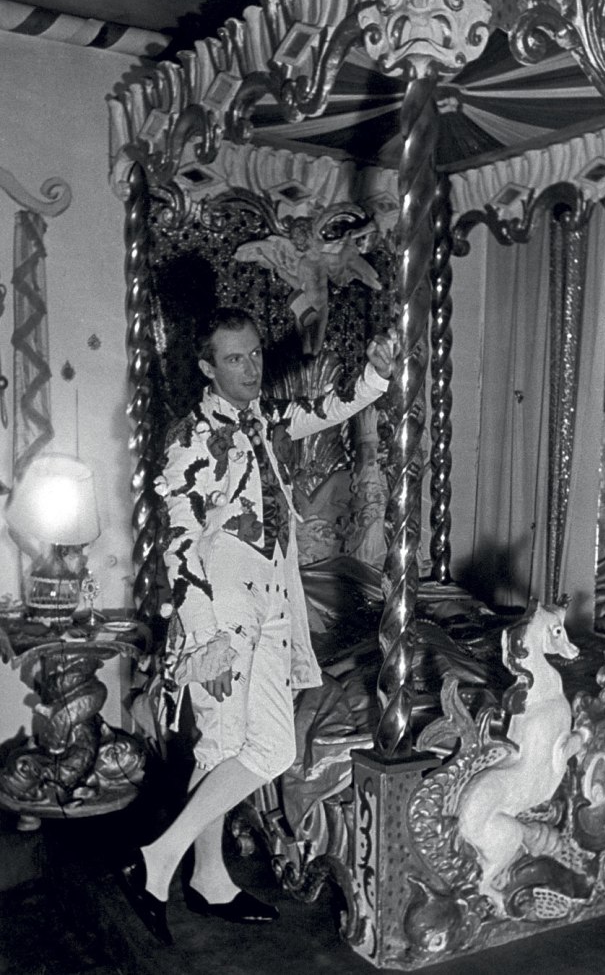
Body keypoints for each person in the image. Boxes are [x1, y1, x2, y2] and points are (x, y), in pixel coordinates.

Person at [120, 307, 397, 944]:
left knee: (222, 751)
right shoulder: (192, 441)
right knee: (269, 750)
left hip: (272, 608)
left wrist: (376, 378)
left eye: (254, 356)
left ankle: (209, 878)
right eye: (235, 360)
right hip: (225, 621)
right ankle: (159, 859)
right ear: (206, 367)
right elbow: (179, 550)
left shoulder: (263, 419)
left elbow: (326, 407)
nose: (250, 369)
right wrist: (207, 636)